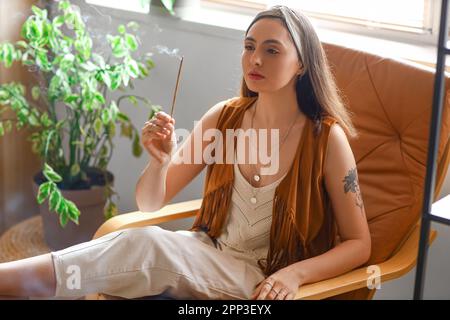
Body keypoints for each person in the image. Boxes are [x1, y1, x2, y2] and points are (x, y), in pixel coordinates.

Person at [0, 5, 371, 300]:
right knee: (139, 245)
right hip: (205, 254)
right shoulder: (223, 119)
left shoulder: (326, 139)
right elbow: (149, 204)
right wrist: (159, 163)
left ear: (302, 64)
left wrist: (295, 274)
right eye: (249, 47)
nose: (255, 59)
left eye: (272, 50)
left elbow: (359, 244)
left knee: (146, 248)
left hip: (262, 280)